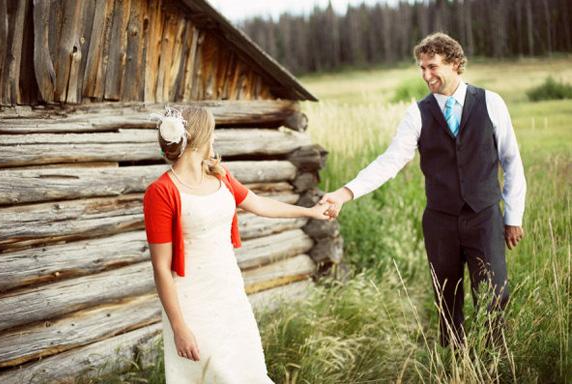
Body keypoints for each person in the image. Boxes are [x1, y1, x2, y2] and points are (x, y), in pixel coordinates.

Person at [320, 32, 526, 348]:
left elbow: (511, 161)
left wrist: (513, 217)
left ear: (456, 64)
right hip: (440, 222)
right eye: (422, 68)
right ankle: (455, 365)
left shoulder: (491, 103)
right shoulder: (417, 113)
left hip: (485, 217)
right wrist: (345, 192)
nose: (426, 75)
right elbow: (390, 162)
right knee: (447, 299)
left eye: (432, 66)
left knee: (495, 295)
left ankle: (493, 365)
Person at [143, 106, 330, 383]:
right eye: (213, 134)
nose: (215, 141)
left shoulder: (220, 176)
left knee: (245, 371)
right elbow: (160, 268)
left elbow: (259, 204)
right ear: (198, 140)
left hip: (229, 292)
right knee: (215, 375)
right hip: (192, 303)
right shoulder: (160, 193)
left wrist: (310, 211)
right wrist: (179, 326)